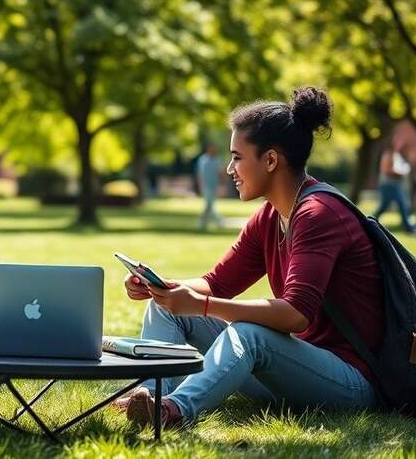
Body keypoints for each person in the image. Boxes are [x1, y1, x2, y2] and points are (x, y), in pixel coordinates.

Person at [115, 87, 381, 430]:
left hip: (350, 383)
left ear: (270, 160)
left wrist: (203, 306)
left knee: (250, 333)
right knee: (165, 307)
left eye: (237, 157)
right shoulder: (270, 217)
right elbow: (217, 283)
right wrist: (160, 288)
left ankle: (173, 410)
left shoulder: (319, 214)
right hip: (292, 369)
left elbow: (296, 314)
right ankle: (148, 396)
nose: (229, 169)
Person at [373, 142, 416, 234]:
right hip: (389, 185)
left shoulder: (394, 155)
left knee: (384, 206)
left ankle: (369, 222)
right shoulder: (388, 155)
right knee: (402, 204)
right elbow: (387, 171)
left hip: (391, 185)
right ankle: (408, 228)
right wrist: (401, 173)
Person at [196, 142, 225, 230]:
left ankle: (203, 223)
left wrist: (222, 185)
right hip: (206, 186)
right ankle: (219, 221)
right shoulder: (203, 160)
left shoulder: (217, 160)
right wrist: (200, 186)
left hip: (214, 186)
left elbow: (220, 173)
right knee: (209, 205)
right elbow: (200, 174)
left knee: (209, 206)